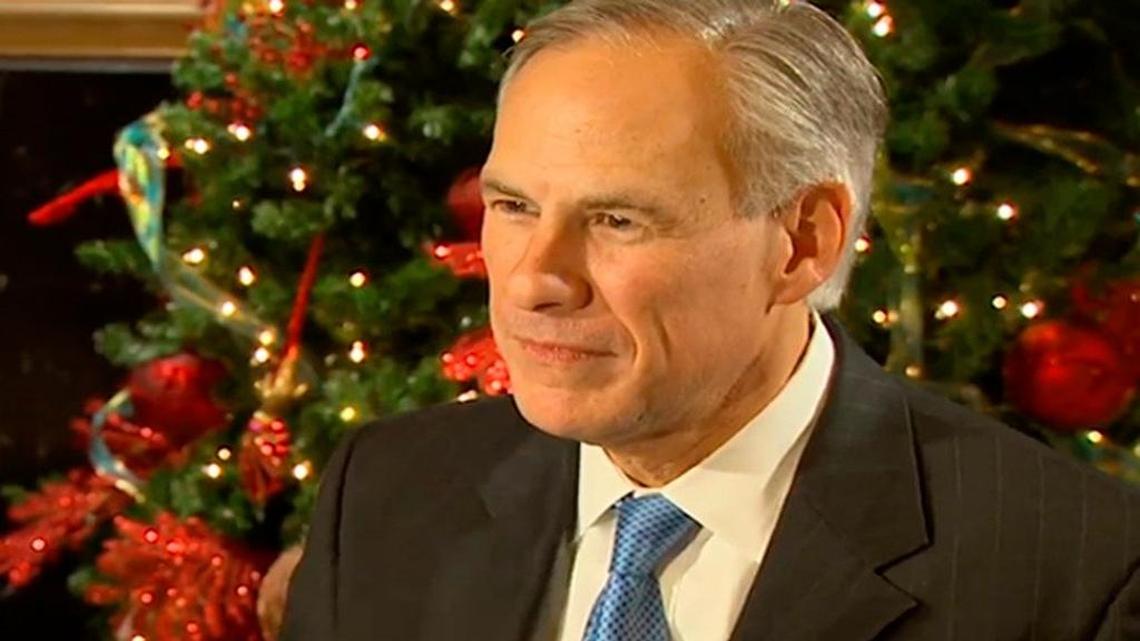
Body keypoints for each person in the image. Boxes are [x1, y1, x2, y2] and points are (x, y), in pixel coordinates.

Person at [281, 1, 1140, 639]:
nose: (535, 278)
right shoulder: (387, 495)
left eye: (618, 219)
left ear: (803, 241)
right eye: (512, 205)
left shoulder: (1073, 574)